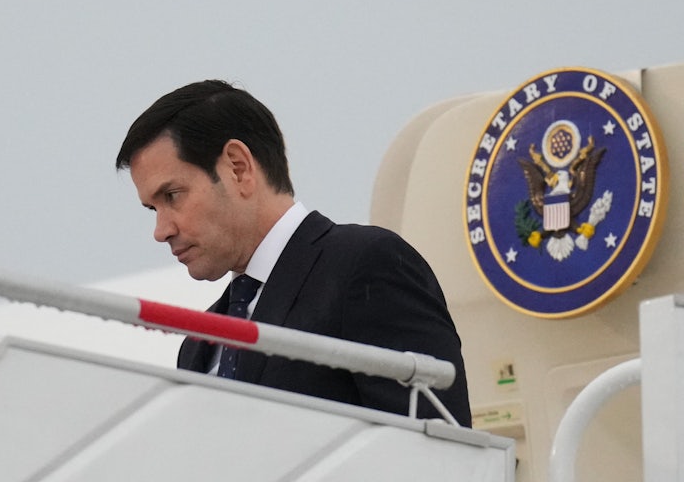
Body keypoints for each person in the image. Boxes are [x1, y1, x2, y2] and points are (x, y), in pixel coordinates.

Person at [115, 80, 471, 426]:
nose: (161, 231)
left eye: (172, 195)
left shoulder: (364, 265)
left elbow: (437, 454)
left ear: (238, 167)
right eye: (153, 208)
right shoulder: (198, 343)